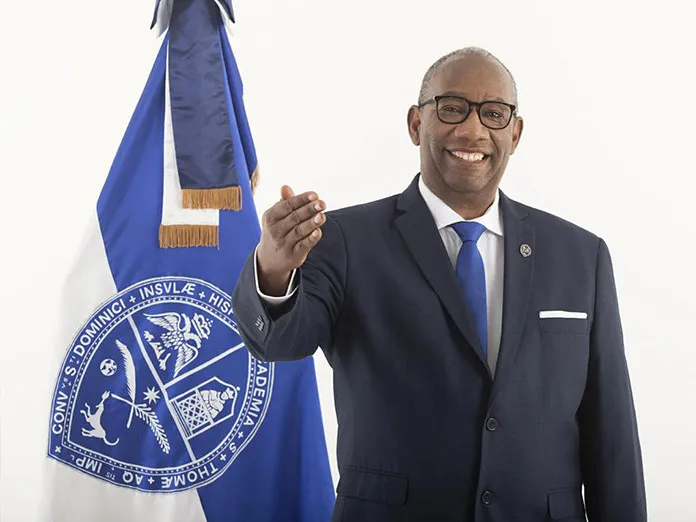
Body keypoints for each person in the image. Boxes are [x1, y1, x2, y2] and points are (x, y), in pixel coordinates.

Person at [231, 48, 647, 522]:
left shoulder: (581, 255)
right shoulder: (342, 240)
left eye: (493, 114)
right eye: (452, 108)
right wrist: (274, 268)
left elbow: (611, 430)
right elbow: (278, 342)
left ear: (514, 133)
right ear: (416, 123)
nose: (473, 130)